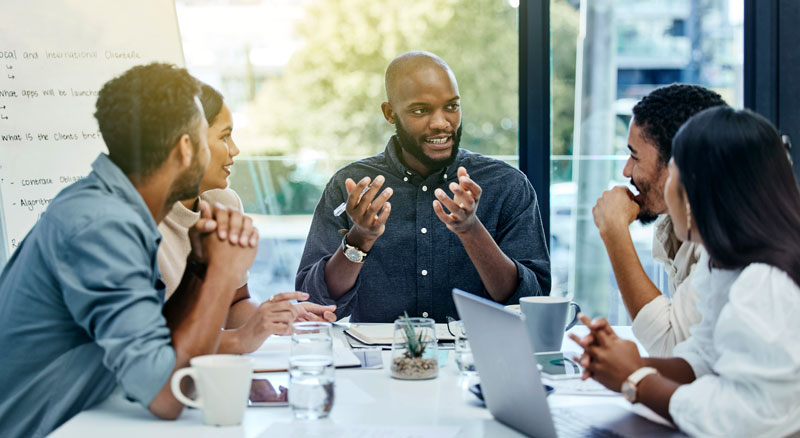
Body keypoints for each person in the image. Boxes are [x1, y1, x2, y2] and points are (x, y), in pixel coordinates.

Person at [0, 63, 257, 437]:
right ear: (186, 148)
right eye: (208, 136)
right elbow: (168, 395)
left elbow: (157, 343)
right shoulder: (101, 225)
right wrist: (222, 273)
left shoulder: (111, 208)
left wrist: (199, 268)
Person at [571, 107, 800, 437]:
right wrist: (623, 361)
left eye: (674, 174)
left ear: (697, 192)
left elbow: (746, 420)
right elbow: (704, 363)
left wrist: (634, 380)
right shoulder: (722, 266)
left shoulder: (765, 282)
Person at [296, 51, 550, 323]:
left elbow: (530, 303)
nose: (441, 123)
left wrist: (470, 229)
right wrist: (360, 238)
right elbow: (314, 304)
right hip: (379, 362)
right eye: (421, 110)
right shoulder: (351, 187)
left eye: (452, 107)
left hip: (477, 361)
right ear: (390, 113)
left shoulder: (506, 185)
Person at [157, 83, 336, 354]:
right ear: (186, 142)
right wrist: (241, 339)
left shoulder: (224, 202)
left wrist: (276, 319)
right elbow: (149, 347)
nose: (235, 150)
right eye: (225, 136)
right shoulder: (135, 221)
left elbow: (233, 305)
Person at [591, 84, 726, 355]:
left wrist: (615, 231)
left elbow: (671, 346)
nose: (626, 170)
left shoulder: (724, 237)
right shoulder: (673, 222)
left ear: (679, 164)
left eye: (635, 156)